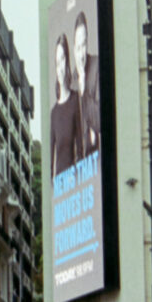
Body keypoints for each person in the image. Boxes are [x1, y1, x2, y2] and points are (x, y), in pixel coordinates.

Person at [49, 32, 81, 179]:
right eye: (57, 62)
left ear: (67, 61)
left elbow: (80, 147)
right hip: (60, 188)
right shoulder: (54, 113)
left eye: (62, 59)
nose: (60, 67)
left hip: (75, 181)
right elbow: (51, 159)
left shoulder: (75, 100)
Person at [72, 11, 100, 158]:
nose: (81, 53)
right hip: (78, 170)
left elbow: (98, 121)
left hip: (97, 161)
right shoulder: (69, 84)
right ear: (73, 48)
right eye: (78, 47)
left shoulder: (96, 66)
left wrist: (83, 90)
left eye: (84, 45)